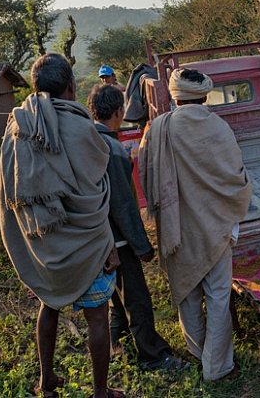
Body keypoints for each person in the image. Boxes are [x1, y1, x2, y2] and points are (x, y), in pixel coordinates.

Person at [0, 53, 124, 398]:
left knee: (49, 304)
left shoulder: (17, 124)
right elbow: (95, 193)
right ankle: (100, 392)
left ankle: (47, 381)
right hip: (85, 242)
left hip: (44, 241)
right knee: (97, 316)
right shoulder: (81, 127)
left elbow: (10, 187)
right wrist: (108, 242)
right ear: (71, 86)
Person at [139, 68, 252, 381]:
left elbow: (146, 177)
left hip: (177, 228)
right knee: (218, 295)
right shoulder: (217, 127)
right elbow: (236, 176)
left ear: (175, 96)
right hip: (215, 226)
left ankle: (197, 352)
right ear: (204, 96)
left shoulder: (158, 128)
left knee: (187, 290)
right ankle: (217, 367)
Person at [87, 84, 186, 373]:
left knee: (115, 295)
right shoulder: (113, 149)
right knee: (137, 299)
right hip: (117, 241)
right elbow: (124, 206)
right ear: (119, 112)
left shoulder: (87, 141)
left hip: (94, 238)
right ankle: (152, 356)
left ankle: (118, 343)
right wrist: (142, 246)